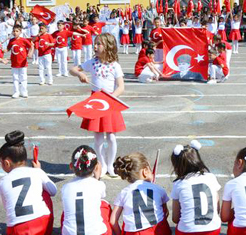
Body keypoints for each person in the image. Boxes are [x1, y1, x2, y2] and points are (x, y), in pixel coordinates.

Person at [69, 33, 125, 177]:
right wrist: (80, 74)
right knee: (98, 137)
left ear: (108, 46)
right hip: (95, 103)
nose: (95, 46)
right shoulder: (92, 62)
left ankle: (111, 165)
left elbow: (121, 87)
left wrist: (110, 98)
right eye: (95, 43)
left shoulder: (115, 65)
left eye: (99, 44)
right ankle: (102, 164)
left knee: (111, 137)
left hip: (109, 103)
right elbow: (73, 69)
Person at [0, 130, 57, 235]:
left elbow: (8, 208)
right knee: (45, 192)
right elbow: (53, 191)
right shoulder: (36, 172)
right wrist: (40, 171)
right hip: (42, 222)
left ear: (6, 163)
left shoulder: (3, 181)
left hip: (18, 228)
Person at [110, 153, 171, 235]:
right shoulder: (158, 189)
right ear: (145, 171)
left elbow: (113, 220)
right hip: (157, 230)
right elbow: (165, 213)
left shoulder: (123, 193)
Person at [170, 140, 222, 235]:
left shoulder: (178, 184)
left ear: (176, 166)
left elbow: (175, 218)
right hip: (213, 229)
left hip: (187, 232)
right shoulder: (211, 177)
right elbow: (217, 209)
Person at [61, 145, 112, 235]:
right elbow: (101, 195)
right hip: (97, 233)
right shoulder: (99, 185)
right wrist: (97, 177)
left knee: (66, 212)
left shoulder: (65, 188)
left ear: (71, 166)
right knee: (103, 204)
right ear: (96, 167)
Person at [7, 26, 34, 99]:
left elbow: (31, 46)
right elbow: (8, 49)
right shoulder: (11, 41)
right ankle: (16, 92)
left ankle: (24, 91)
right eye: (14, 31)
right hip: (14, 62)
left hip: (23, 62)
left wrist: (30, 53)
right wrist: (2, 51)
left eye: (17, 31)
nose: (15, 33)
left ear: (20, 32)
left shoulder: (23, 40)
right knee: (15, 78)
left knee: (23, 78)